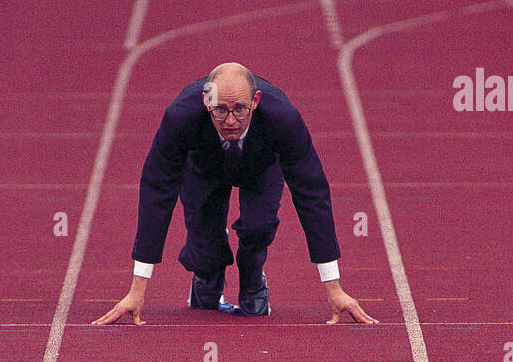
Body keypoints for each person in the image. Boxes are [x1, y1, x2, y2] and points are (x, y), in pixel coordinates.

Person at [93, 61, 378, 326]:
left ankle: (253, 278)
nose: (231, 120)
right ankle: (206, 271)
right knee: (206, 250)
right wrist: (137, 288)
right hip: (203, 167)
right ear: (206, 102)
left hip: (261, 166)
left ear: (255, 101)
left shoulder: (284, 118)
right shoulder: (180, 117)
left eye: (240, 109)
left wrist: (334, 287)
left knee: (259, 227)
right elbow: (156, 191)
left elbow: (312, 193)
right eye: (220, 110)